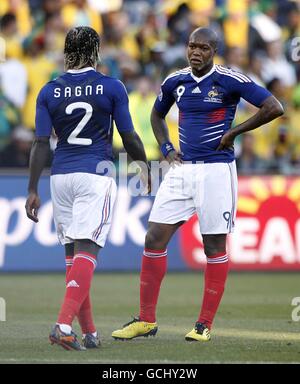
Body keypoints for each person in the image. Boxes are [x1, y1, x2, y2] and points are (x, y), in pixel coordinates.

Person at [112, 27, 284, 342]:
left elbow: (274, 107)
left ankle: (204, 324)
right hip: (181, 169)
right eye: (192, 45)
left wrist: (234, 132)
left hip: (217, 171)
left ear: (213, 51)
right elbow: (156, 115)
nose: (195, 52)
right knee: (153, 238)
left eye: (203, 47)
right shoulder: (175, 81)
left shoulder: (231, 80)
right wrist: (165, 148)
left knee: (214, 246)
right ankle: (146, 320)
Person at [25, 26, 149, 351]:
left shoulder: (49, 90)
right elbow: (129, 136)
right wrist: (144, 167)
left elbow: (40, 144)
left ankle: (90, 332)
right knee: (88, 252)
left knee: (73, 257)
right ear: (96, 52)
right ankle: (63, 325)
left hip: (60, 176)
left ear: (66, 52)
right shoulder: (112, 86)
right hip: (95, 173)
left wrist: (32, 188)